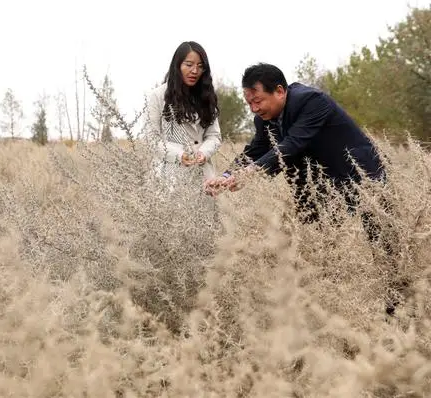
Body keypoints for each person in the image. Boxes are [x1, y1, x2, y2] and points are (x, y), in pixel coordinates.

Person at [204, 62, 403, 315]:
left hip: (363, 176)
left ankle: (399, 308)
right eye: (249, 104)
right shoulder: (264, 118)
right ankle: (330, 305)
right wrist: (227, 175)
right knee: (315, 244)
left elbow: (292, 144)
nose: (254, 109)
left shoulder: (311, 100)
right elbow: (256, 149)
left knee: (384, 243)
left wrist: (250, 173)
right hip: (318, 186)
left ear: (279, 91)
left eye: (258, 101)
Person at [145, 41, 222, 187]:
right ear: (178, 65)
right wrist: (180, 155)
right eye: (189, 64)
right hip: (168, 177)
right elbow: (151, 139)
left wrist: (203, 153)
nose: (194, 71)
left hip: (202, 177)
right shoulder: (157, 96)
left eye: (200, 66)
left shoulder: (207, 96)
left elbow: (214, 136)